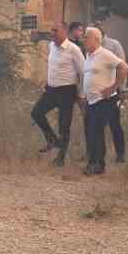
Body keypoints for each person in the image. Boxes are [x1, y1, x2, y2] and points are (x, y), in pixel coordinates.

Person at [31, 20, 85, 166]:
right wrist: (48, 81)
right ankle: (53, 141)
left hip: (67, 91)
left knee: (64, 124)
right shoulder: (51, 46)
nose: (52, 34)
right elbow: (53, 66)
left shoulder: (74, 49)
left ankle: (60, 158)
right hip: (51, 89)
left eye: (56, 31)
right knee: (36, 113)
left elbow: (83, 72)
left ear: (65, 32)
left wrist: (81, 94)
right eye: (52, 31)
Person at [79, 27, 128, 176]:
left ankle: (98, 165)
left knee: (97, 131)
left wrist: (113, 87)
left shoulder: (105, 54)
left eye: (86, 37)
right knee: (90, 131)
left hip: (105, 100)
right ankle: (93, 162)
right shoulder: (89, 56)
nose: (84, 40)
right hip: (92, 101)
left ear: (96, 39)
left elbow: (124, 68)